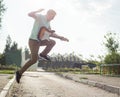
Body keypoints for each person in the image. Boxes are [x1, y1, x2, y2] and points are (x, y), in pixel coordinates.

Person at [16, 9, 69, 83]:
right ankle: (19, 73)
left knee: (52, 42)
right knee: (34, 60)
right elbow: (29, 14)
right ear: (48, 14)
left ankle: (43, 54)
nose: (53, 19)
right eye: (52, 17)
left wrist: (61, 37)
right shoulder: (40, 17)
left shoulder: (48, 23)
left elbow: (51, 34)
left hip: (40, 41)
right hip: (33, 41)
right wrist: (37, 10)